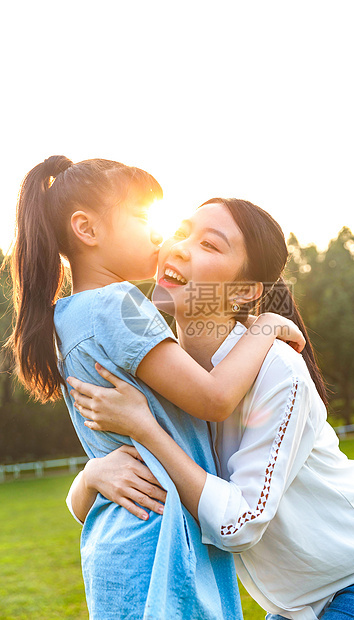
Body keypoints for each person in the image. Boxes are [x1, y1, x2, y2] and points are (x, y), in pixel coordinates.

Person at [68, 198, 354, 620]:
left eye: (210, 246)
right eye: (180, 232)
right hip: (294, 606)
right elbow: (133, 503)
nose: (178, 247)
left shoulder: (277, 369)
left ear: (245, 291)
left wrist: (145, 429)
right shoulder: (166, 377)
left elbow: (241, 523)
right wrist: (92, 476)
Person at [8, 157, 305, 620]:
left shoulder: (66, 317)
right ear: (86, 229)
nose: (158, 234)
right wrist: (264, 326)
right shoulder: (119, 304)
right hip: (159, 540)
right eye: (143, 218)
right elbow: (212, 398)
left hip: (118, 536)